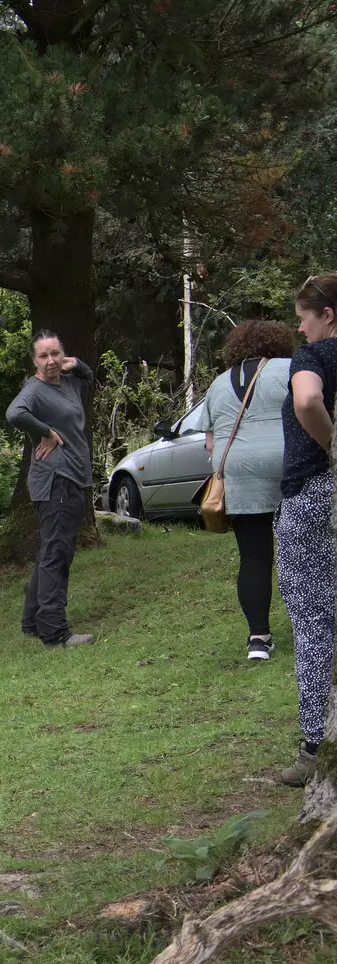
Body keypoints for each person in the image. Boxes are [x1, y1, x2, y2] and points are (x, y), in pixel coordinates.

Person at [201, 321, 297, 661]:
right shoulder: (291, 368)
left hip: (238, 470)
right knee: (303, 548)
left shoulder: (218, 382)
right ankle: (311, 624)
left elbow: (210, 439)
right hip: (289, 462)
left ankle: (258, 639)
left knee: (254, 556)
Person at [275, 272, 337, 787]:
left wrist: (332, 448)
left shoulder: (313, 357)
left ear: (328, 316)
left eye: (304, 318)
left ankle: (315, 743)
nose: (302, 328)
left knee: (312, 615)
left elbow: (307, 401)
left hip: (313, 492)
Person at [7, 331, 96, 647]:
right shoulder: (34, 390)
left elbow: (89, 376)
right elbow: (14, 414)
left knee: (51, 551)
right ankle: (55, 632)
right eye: (43, 356)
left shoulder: (68, 381)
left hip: (71, 476)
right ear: (34, 361)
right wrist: (45, 433)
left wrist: (76, 363)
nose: (50, 361)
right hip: (55, 480)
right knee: (57, 555)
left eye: (55, 354)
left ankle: (32, 621)